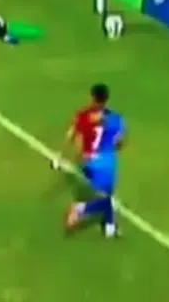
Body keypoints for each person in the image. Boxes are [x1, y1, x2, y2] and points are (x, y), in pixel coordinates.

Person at [60, 83, 125, 237]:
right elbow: (119, 142)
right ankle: (80, 209)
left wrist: (64, 155)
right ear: (106, 99)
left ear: (92, 98)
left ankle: (109, 227)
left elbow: (72, 135)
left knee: (106, 195)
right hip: (105, 162)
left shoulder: (83, 115)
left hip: (87, 161)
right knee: (105, 196)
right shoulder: (116, 119)